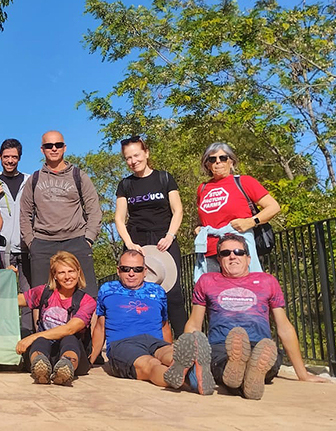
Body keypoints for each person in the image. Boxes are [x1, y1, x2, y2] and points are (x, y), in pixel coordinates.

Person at [185, 233, 328, 399]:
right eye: (225, 253)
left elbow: (284, 327)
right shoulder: (207, 281)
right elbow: (194, 324)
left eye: (238, 252)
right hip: (221, 346)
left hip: (260, 346)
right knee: (225, 363)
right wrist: (188, 363)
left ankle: (242, 376)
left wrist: (303, 374)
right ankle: (244, 378)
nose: (232, 256)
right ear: (219, 259)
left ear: (248, 259)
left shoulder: (267, 281)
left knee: (264, 358)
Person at [92, 250, 214, 395]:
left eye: (137, 269)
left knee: (171, 354)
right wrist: (91, 360)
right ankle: (190, 380)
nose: (131, 273)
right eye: (126, 269)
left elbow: (164, 326)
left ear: (145, 271)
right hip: (123, 344)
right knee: (151, 364)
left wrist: (169, 346)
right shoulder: (107, 290)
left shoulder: (158, 291)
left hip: (154, 342)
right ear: (118, 270)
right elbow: (100, 327)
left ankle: (189, 371)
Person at [114, 136, 186, 336]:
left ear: (146, 153)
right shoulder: (125, 185)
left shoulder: (164, 178)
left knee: (173, 294)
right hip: (137, 243)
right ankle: (141, 339)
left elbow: (178, 210)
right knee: (137, 294)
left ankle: (185, 341)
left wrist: (170, 236)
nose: (133, 161)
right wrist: (130, 244)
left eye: (136, 155)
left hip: (165, 241)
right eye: (128, 158)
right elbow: (119, 218)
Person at [19, 131, 102, 295]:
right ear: (42, 150)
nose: (54, 149)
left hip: (76, 241)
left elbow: (93, 209)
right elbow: (25, 214)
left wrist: (88, 239)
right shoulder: (34, 179)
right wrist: (32, 243)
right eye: (49, 145)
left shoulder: (79, 176)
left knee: (87, 296)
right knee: (42, 297)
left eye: (58, 145)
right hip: (43, 244)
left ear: (64, 148)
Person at [194, 143, 280, 278]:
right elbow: (205, 217)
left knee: (243, 290)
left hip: (238, 253)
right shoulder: (202, 188)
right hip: (210, 253)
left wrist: (251, 221)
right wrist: (199, 227)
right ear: (207, 165)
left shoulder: (244, 182)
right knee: (213, 291)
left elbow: (273, 207)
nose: (218, 162)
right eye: (212, 159)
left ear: (231, 161)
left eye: (223, 158)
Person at [16, 251, 96, 385]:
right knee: (41, 341)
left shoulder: (87, 301)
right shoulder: (44, 292)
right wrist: (9, 279)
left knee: (69, 338)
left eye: (71, 271)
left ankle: (66, 367)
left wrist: (31, 337)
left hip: (74, 353)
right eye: (61, 272)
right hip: (46, 350)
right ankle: (39, 367)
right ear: (54, 276)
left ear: (78, 272)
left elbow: (69, 329)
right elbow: (13, 301)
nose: (67, 277)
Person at [0, 138, 32, 335]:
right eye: (6, 156)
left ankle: (27, 335)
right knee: (2, 295)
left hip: (26, 247)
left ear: (19, 158)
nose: (10, 161)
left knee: (29, 296)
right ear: (0, 157)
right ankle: (3, 334)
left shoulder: (30, 181)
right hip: (2, 249)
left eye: (14, 157)